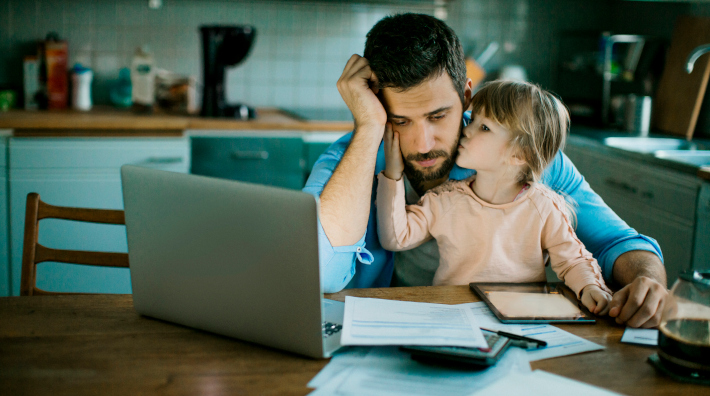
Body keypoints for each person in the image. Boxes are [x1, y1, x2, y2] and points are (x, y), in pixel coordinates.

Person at [303, 13, 668, 328]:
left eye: (438, 116)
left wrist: (646, 281)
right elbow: (316, 273)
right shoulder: (348, 161)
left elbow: (618, 242)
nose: (423, 142)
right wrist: (368, 129)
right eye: (400, 120)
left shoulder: (520, 156)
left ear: (465, 96)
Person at [376, 80, 613, 314]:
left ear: (520, 154)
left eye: (484, 127)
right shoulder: (445, 200)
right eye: (474, 119)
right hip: (455, 315)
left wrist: (591, 287)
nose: (466, 130)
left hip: (521, 320)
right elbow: (396, 238)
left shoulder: (544, 207)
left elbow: (572, 261)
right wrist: (393, 174)